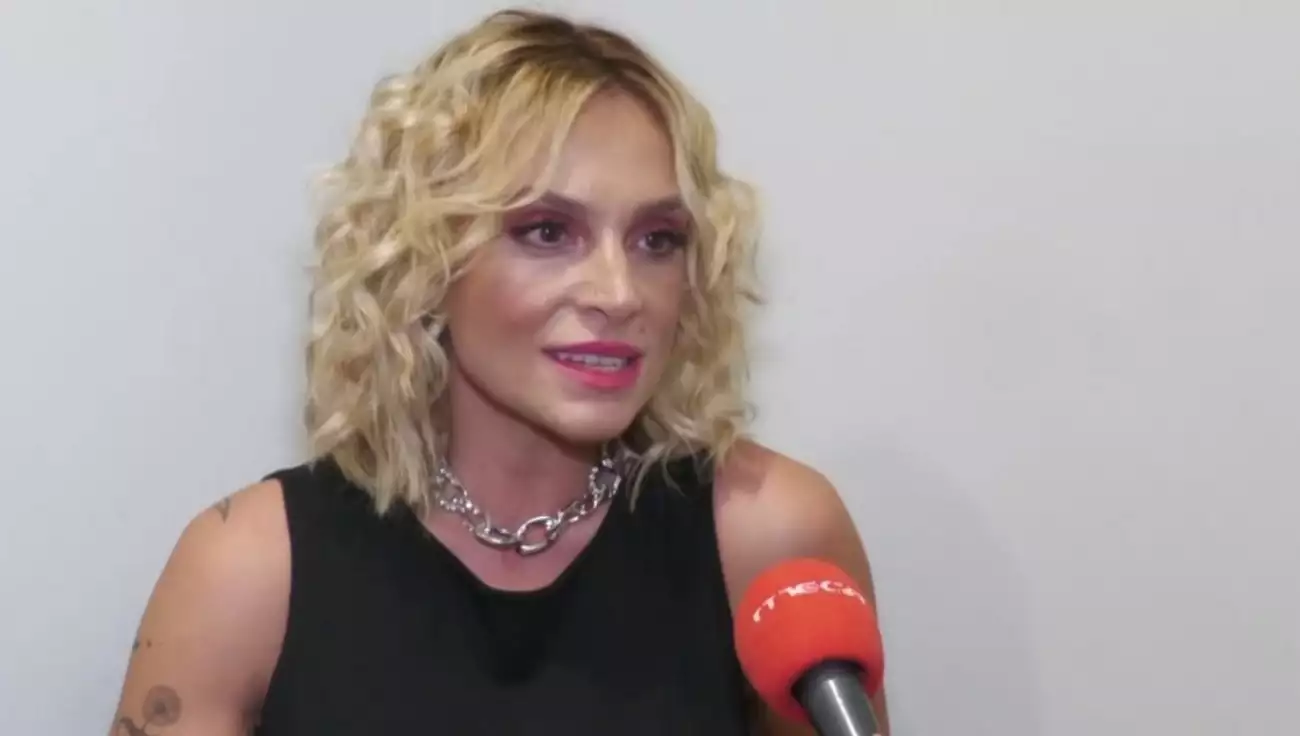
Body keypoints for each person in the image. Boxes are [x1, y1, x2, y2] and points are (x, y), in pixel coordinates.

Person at [110, 8, 889, 735]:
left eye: (657, 239)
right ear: (426, 260)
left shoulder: (771, 535)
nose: (620, 293)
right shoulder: (249, 570)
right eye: (547, 231)